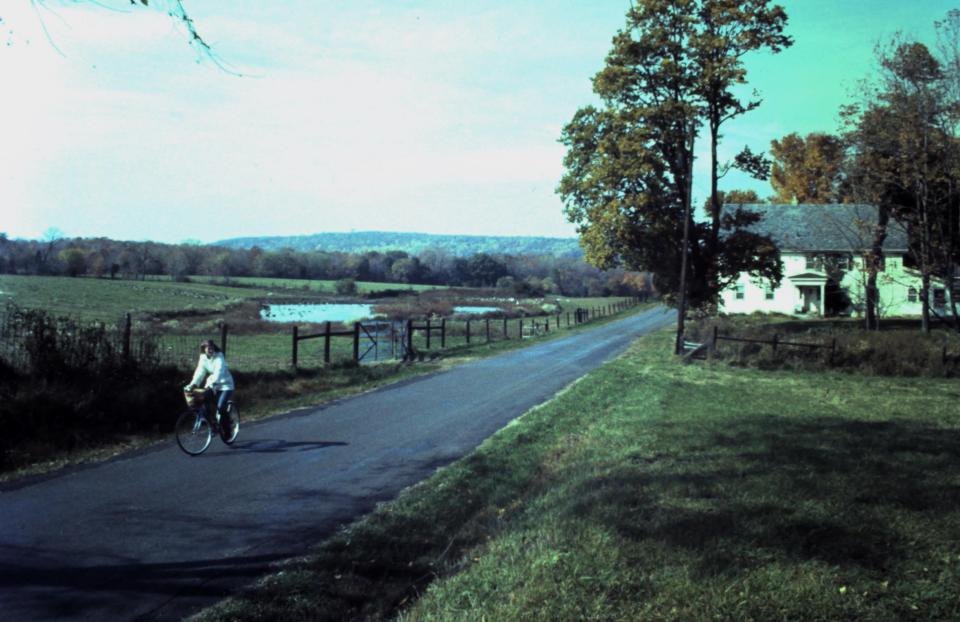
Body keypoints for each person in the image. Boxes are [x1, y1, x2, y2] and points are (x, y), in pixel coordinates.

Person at [184, 339, 235, 428]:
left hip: (225, 384)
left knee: (221, 406)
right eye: (207, 348)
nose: (210, 350)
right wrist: (193, 384)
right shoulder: (203, 358)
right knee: (203, 400)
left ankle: (228, 428)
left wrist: (213, 383)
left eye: (211, 348)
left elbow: (219, 371)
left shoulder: (219, 356)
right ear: (204, 349)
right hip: (212, 384)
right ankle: (212, 424)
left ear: (214, 347)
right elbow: (200, 372)